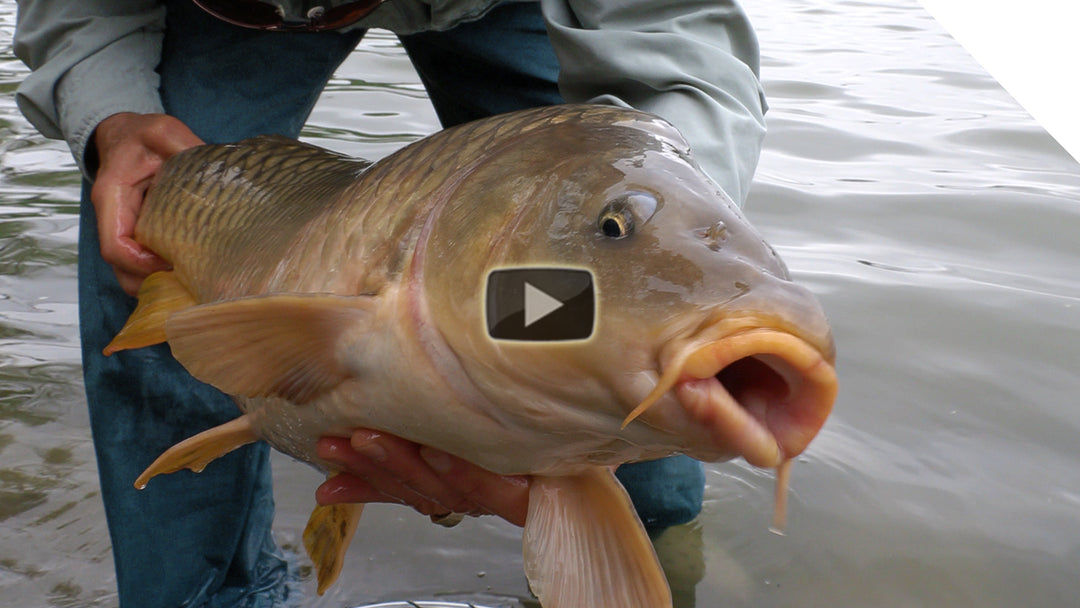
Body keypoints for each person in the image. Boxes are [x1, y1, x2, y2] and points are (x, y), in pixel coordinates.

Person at [13, 1, 767, 606]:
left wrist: (664, 211)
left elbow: (673, 48)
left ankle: (668, 547)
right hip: (223, 9)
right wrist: (110, 117)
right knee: (145, 253)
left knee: (622, 312)